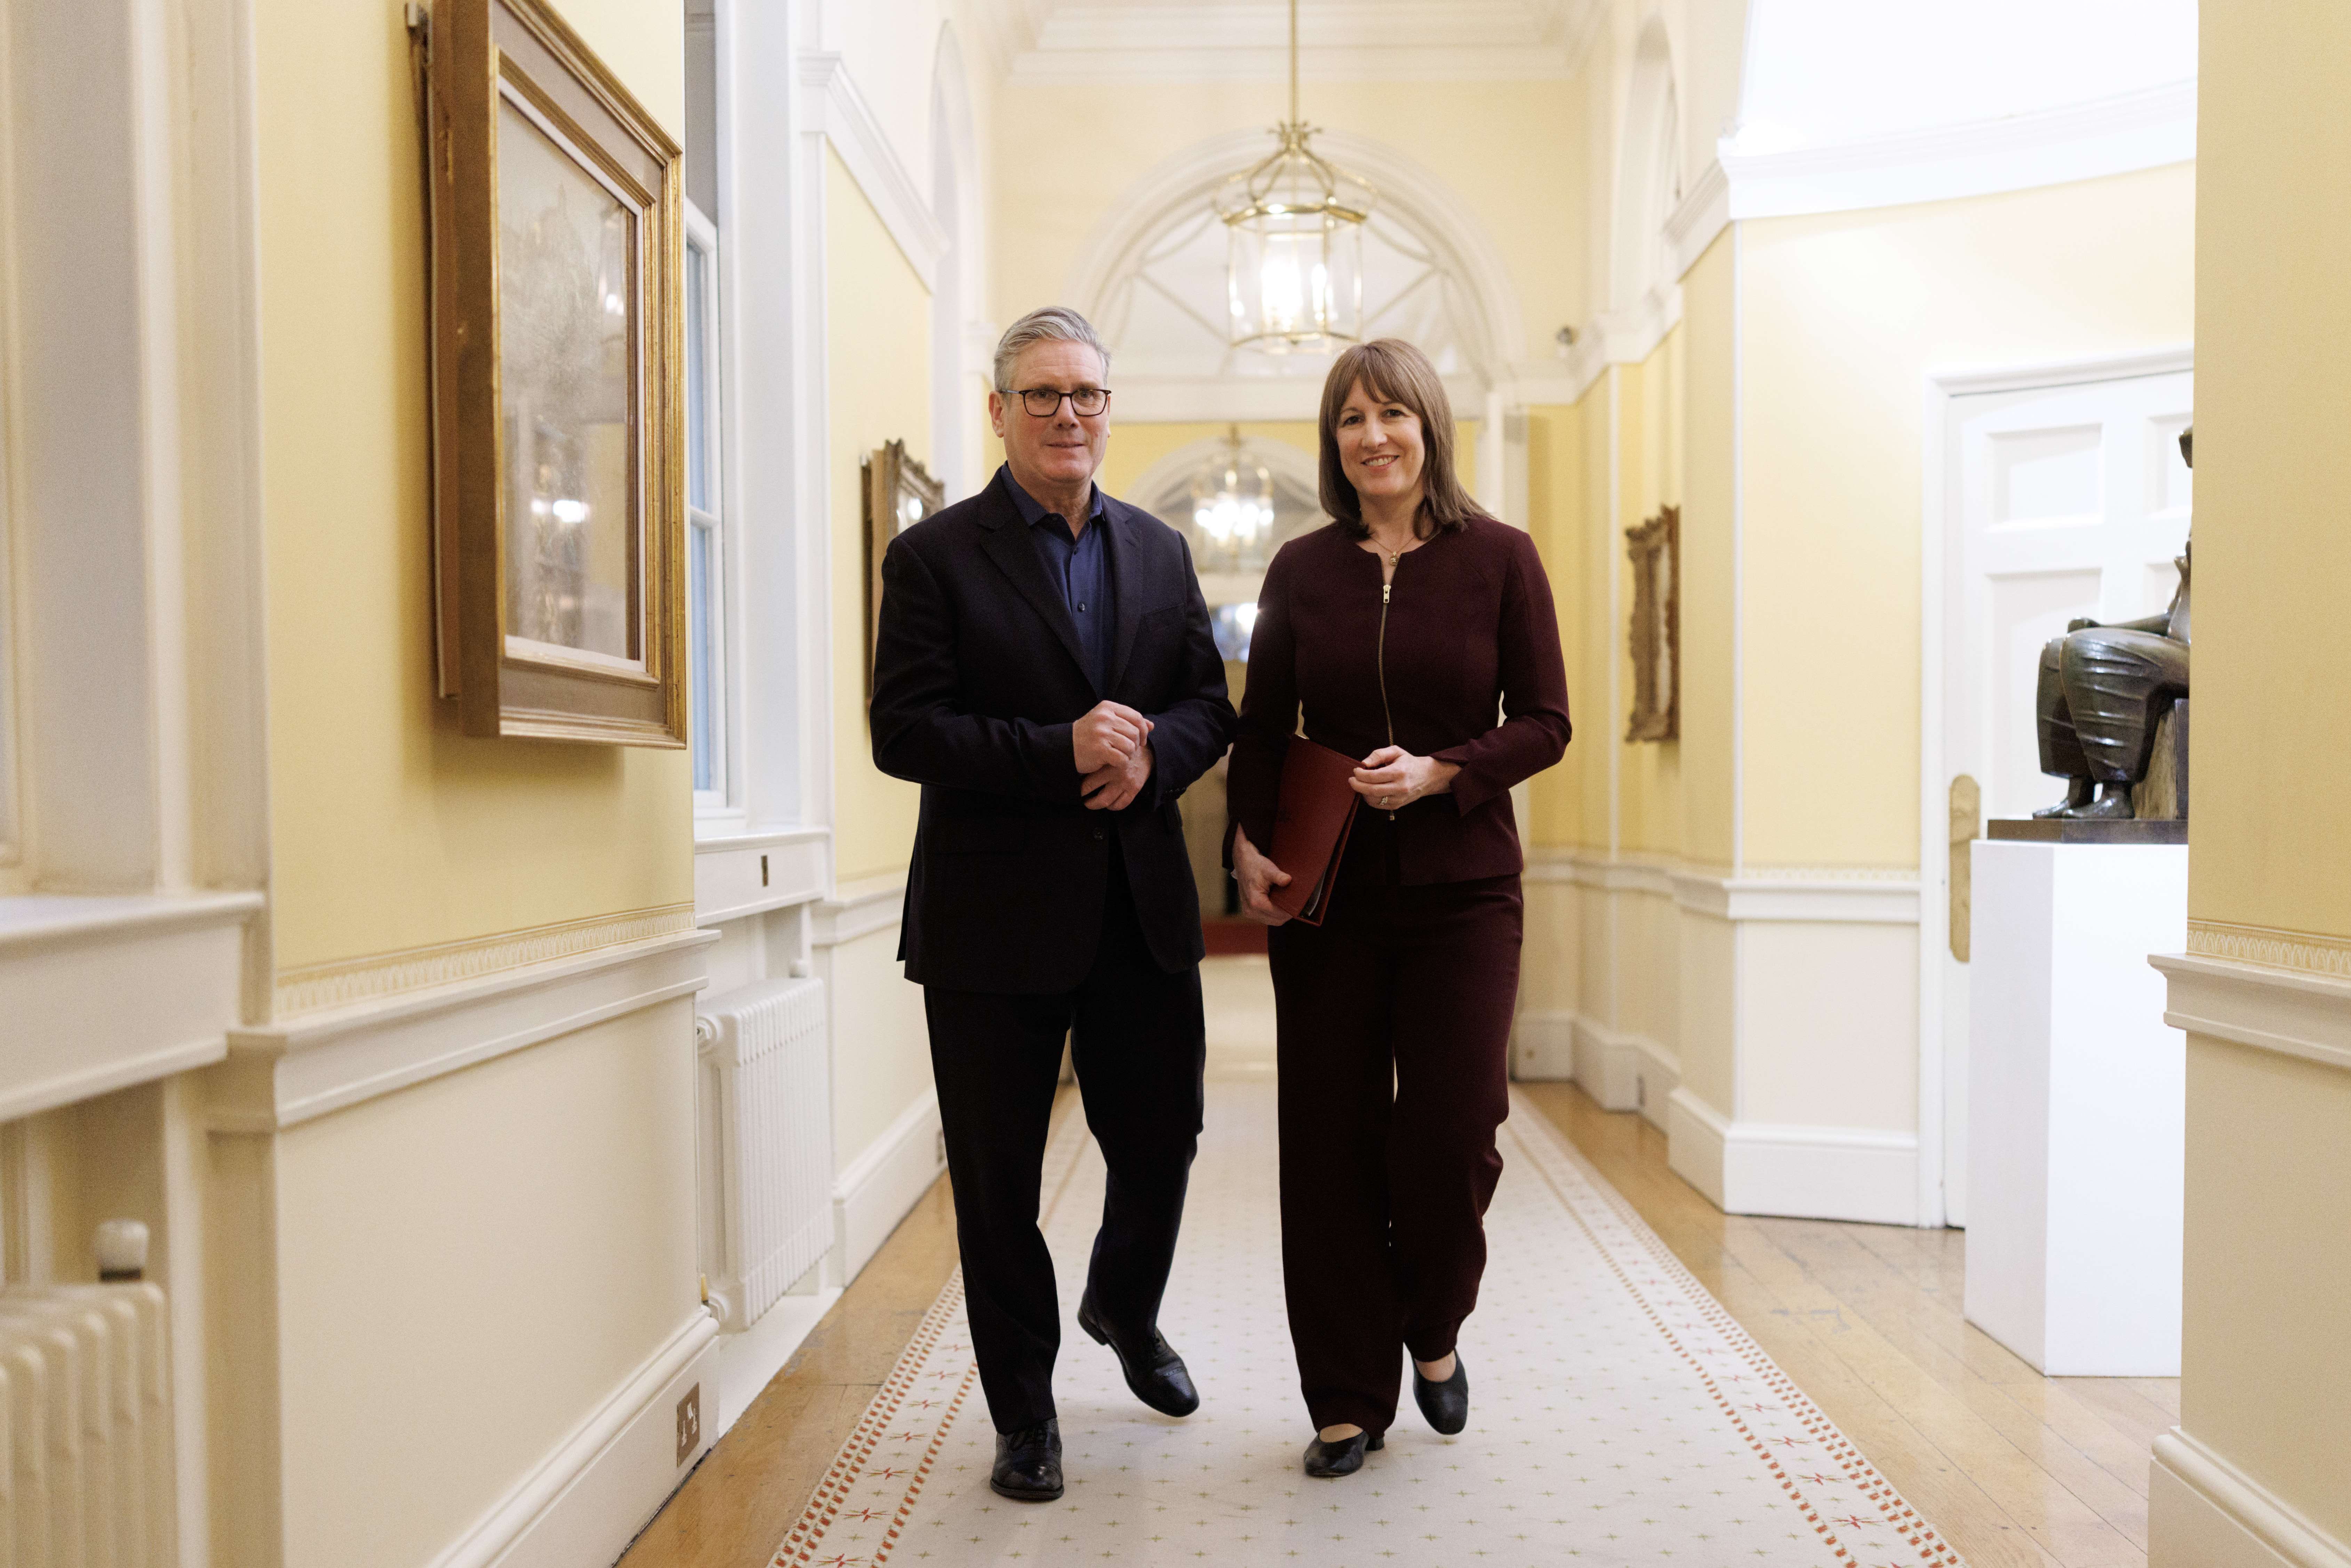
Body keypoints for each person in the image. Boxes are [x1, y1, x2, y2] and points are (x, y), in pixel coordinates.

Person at [870, 306, 1238, 1504]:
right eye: (1042, 394)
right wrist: (1058, 749)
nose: (1068, 414)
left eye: (1087, 394)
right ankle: (1025, 1414)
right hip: (990, 923)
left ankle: (1123, 1304)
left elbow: (1208, 705)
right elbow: (903, 731)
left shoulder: (1161, 550)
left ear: (1108, 410)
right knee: (998, 1185)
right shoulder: (933, 557)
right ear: (1000, 411)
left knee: (1165, 1137)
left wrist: (1155, 757)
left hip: (1139, 909)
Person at [1225, 337, 1571, 1479]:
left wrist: (1442, 772)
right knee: (1327, 1139)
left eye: (1391, 414)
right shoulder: (1300, 569)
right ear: (1334, 443)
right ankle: (1345, 1397)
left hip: (1465, 890)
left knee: (1453, 1130)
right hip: (1329, 892)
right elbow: (1263, 723)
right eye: (1350, 419)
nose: (1372, 437)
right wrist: (1247, 838)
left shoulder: (1502, 559)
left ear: (1430, 427)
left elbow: (1548, 720)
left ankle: (1432, 1321)